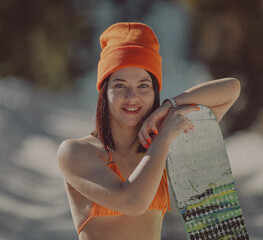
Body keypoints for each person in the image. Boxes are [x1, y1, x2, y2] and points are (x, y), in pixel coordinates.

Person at [57, 22, 240, 240]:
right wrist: (162, 138)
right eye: (120, 85)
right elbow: (131, 202)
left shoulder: (163, 141)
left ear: (155, 91)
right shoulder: (76, 152)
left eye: (143, 85)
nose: (132, 97)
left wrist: (170, 105)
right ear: (104, 92)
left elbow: (231, 90)